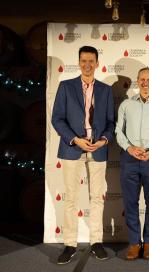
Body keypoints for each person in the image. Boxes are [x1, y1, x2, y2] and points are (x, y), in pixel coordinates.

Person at [51, 45, 115, 264]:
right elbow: (57, 119)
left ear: (97, 63)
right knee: (70, 197)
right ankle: (70, 244)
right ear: (79, 62)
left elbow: (110, 122)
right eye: (83, 60)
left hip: (98, 149)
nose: (87, 64)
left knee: (97, 197)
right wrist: (75, 139)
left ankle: (96, 241)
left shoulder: (106, 90)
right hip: (72, 147)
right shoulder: (66, 86)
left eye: (91, 61)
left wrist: (103, 140)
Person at [116, 67, 149, 260]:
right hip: (129, 158)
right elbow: (118, 131)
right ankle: (133, 243)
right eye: (142, 79)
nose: (145, 83)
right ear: (137, 82)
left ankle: (148, 242)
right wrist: (130, 148)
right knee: (130, 203)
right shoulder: (126, 105)